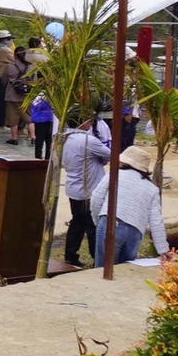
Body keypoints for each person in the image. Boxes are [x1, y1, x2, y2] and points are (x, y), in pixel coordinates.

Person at [92, 144, 169, 266]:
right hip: (135, 231)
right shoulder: (152, 188)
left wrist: (98, 221)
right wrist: (163, 249)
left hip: (110, 222)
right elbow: (156, 221)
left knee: (102, 269)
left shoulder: (114, 174)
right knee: (124, 269)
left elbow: (96, 199)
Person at [58, 107, 110, 268]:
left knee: (77, 223)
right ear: (82, 122)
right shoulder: (88, 140)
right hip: (90, 190)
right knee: (93, 226)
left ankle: (70, 256)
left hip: (73, 188)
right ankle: (97, 259)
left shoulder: (63, 138)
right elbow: (109, 154)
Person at [0, 32, 21, 140]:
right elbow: (16, 60)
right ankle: (0, 123)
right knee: (2, 102)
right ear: (3, 40)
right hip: (2, 78)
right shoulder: (5, 50)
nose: (11, 41)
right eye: (9, 39)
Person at [29, 88, 56, 161]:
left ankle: (47, 158)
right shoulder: (42, 94)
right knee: (40, 141)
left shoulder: (49, 93)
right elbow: (36, 105)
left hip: (49, 120)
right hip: (41, 121)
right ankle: (38, 158)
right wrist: (49, 102)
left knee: (49, 141)